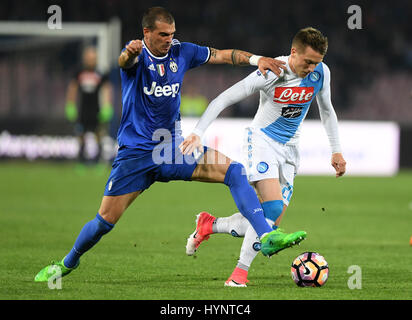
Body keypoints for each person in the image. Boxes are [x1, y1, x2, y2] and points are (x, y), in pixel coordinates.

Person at [34, 7, 306, 283]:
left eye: (172, 34)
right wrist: (128, 52)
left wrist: (257, 59)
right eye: (163, 34)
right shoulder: (137, 57)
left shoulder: (181, 52)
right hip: (136, 157)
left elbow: (222, 54)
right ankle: (67, 264)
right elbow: (123, 62)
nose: (168, 39)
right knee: (104, 221)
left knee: (234, 172)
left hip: (172, 150)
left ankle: (266, 236)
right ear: (147, 33)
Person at [180, 27, 347, 287]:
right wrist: (198, 133)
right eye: (308, 62)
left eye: (317, 62)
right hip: (262, 141)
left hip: (291, 149)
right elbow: (224, 99)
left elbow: (327, 111)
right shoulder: (271, 71)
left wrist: (336, 149)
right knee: (271, 210)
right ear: (293, 52)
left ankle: (209, 225)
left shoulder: (322, 73)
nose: (312, 68)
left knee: (268, 222)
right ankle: (239, 275)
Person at [65, 46, 113, 164]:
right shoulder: (79, 72)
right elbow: (72, 88)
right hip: (83, 110)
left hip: (96, 110)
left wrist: (107, 106)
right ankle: (81, 160)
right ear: (85, 58)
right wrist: (70, 105)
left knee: (99, 135)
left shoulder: (101, 73)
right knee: (81, 135)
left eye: (93, 58)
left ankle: (98, 160)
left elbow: (107, 89)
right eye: (89, 58)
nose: (91, 60)